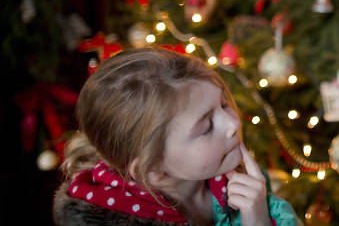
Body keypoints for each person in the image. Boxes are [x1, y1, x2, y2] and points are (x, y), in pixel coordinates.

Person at [53, 48, 301, 226]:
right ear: (152, 168)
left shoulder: (242, 182)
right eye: (206, 126)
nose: (233, 123)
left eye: (224, 104)